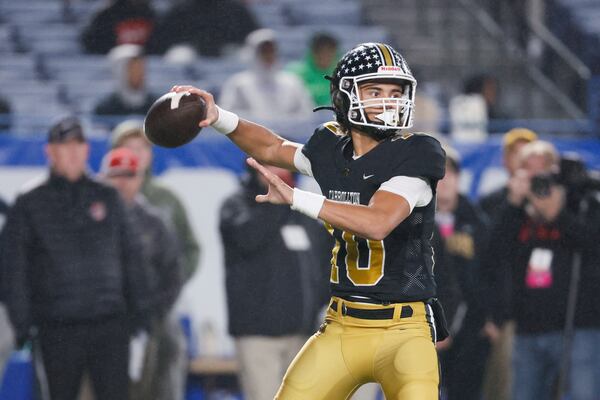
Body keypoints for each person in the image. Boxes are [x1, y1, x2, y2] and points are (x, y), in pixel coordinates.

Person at [172, 41, 447, 398]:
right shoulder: (331, 146)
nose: (388, 101)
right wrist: (219, 116)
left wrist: (299, 198)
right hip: (343, 324)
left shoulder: (417, 152)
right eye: (375, 90)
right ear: (346, 95)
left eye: (395, 92)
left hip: (405, 331)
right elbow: (271, 147)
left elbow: (379, 221)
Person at [0, 116, 151, 400]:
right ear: (50, 152)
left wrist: (142, 316)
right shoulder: (30, 201)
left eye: (78, 145)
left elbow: (131, 256)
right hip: (56, 328)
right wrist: (23, 325)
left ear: (87, 151)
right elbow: (12, 266)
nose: (72, 152)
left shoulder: (107, 195)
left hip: (110, 325)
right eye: (64, 146)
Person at [483, 140, 600, 400]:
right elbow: (492, 256)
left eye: (542, 169)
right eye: (528, 168)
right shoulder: (510, 208)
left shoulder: (580, 202)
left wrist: (558, 214)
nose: (536, 177)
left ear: (555, 172)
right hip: (527, 327)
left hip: (577, 326)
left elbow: (593, 244)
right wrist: (514, 204)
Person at [219, 163, 331, 400]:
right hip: (258, 335)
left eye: (282, 165)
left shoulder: (302, 211)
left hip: (302, 333)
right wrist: (276, 201)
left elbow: (325, 260)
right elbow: (247, 238)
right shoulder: (237, 205)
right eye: (269, 165)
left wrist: (317, 306)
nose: (278, 172)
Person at [110, 120, 200, 400]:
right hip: (112, 305)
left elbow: (190, 248)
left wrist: (167, 290)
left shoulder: (167, 199)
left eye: (142, 148)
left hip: (159, 304)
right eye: (129, 147)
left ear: (150, 154)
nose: (136, 154)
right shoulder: (102, 196)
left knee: (170, 350)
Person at [100, 147, 184, 400]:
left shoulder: (154, 223)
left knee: (144, 389)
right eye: (116, 174)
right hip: (98, 322)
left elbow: (172, 273)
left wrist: (153, 312)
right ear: (104, 177)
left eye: (129, 174)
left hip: (141, 322)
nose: (122, 181)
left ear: (139, 178)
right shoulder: (90, 218)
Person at [432, 147, 490, 400]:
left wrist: (492, 317)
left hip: (471, 324)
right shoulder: (413, 221)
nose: (444, 182)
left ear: (458, 178)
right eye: (438, 177)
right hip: (427, 321)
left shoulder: (476, 222)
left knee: (465, 389)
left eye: (449, 175)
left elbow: (492, 271)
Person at [219, 29, 315, 122]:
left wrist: (284, 122)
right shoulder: (239, 83)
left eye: (272, 51)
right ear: (253, 53)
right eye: (264, 51)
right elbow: (227, 116)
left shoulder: (292, 82)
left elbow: (306, 113)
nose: (269, 56)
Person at [146, 0, 259, 57]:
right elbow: (162, 38)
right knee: (179, 55)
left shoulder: (234, 7)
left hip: (228, 54)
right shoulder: (182, 7)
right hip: (191, 56)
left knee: (246, 55)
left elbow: (256, 34)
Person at [479, 127, 538, 219]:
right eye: (516, 153)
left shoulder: (547, 196)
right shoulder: (490, 202)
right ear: (505, 160)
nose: (522, 158)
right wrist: (513, 203)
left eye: (528, 153)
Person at [94, 44, 157, 126]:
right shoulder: (104, 108)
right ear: (120, 71)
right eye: (133, 68)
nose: (139, 73)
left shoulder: (155, 105)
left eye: (141, 68)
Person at [81, 0, 156, 54]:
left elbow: (157, 43)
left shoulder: (150, 14)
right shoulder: (107, 14)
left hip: (143, 61)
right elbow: (91, 40)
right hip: (107, 60)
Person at [287, 32, 339, 107]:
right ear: (313, 52)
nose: (326, 56)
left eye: (329, 51)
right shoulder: (295, 72)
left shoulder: (340, 74)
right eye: (322, 51)